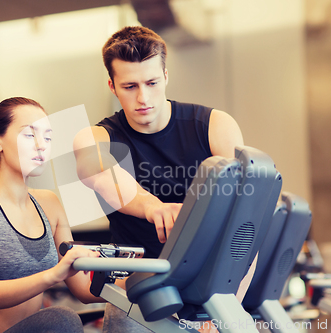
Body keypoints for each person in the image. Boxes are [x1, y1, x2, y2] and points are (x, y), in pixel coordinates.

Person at [73, 26, 255, 332]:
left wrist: (226, 305)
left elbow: (244, 223)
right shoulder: (94, 137)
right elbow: (101, 173)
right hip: (137, 294)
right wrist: (152, 207)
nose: (143, 97)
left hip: (211, 289)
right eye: (129, 86)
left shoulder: (214, 126)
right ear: (112, 86)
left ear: (166, 77)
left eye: (152, 82)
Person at [0, 97, 102, 333]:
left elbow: (83, 289)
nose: (42, 145)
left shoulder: (49, 204)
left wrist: (142, 281)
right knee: (61, 319)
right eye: (30, 135)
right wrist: (53, 274)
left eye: (48, 137)